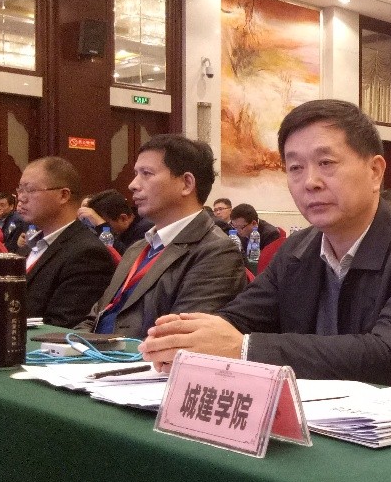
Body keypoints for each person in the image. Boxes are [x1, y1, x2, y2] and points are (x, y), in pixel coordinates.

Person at [139, 99, 391, 388]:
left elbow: (386, 353)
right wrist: (189, 336)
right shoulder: (297, 250)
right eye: (295, 167)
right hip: (322, 420)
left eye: (326, 163)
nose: (310, 182)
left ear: (375, 171)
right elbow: (239, 319)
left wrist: (243, 349)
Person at [78, 135, 246, 337]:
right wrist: (73, 345)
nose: (133, 185)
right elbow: (96, 316)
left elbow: (179, 338)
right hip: (93, 351)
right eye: (136, 174)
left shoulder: (216, 252)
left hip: (135, 355)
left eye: (146, 173)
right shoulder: (137, 248)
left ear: (186, 184)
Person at [16, 157, 116, 328]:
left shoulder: (87, 254)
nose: (21, 198)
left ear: (63, 195)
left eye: (30, 190)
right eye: (20, 189)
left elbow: (63, 326)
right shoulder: (30, 246)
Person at [79, 189, 154, 255]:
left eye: (106, 224)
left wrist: (102, 225)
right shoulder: (124, 229)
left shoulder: (146, 229)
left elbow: (129, 259)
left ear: (123, 219)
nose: (100, 230)